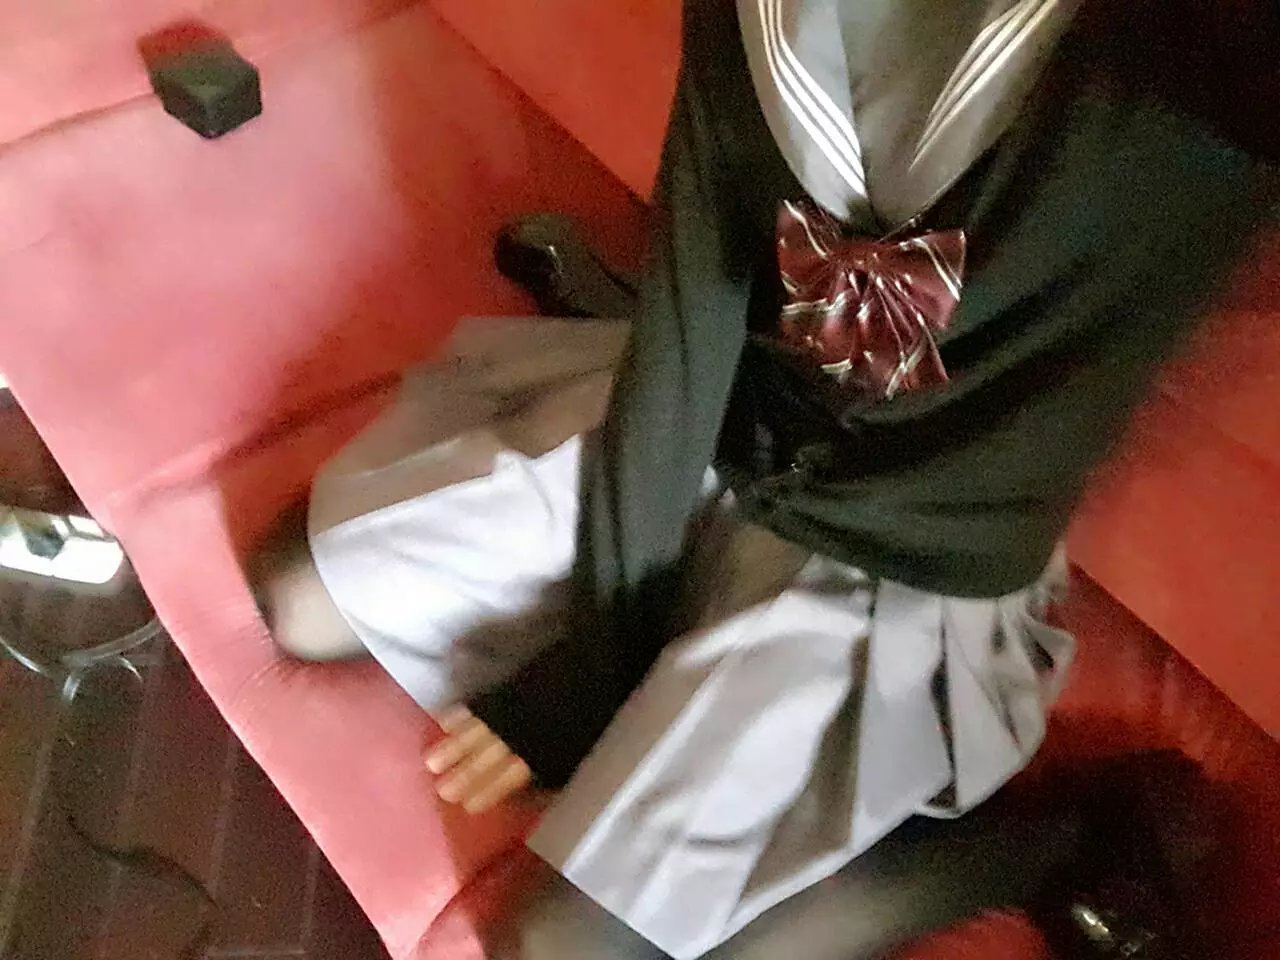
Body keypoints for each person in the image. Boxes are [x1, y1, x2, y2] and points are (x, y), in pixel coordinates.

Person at [250, 1, 1273, 957]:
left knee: (563, 946)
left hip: (909, 548)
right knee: (303, 596)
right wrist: (600, 656)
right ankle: (666, 666)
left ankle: (1063, 840)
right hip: (725, 422)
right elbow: (696, 300)